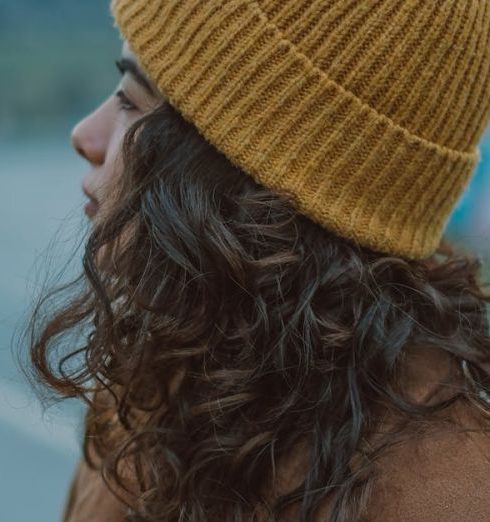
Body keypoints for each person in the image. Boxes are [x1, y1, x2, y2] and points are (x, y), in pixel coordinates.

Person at [27, 1, 490, 521]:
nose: (85, 134)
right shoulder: (154, 388)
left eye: (133, 101)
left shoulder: (449, 498)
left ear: (258, 174)